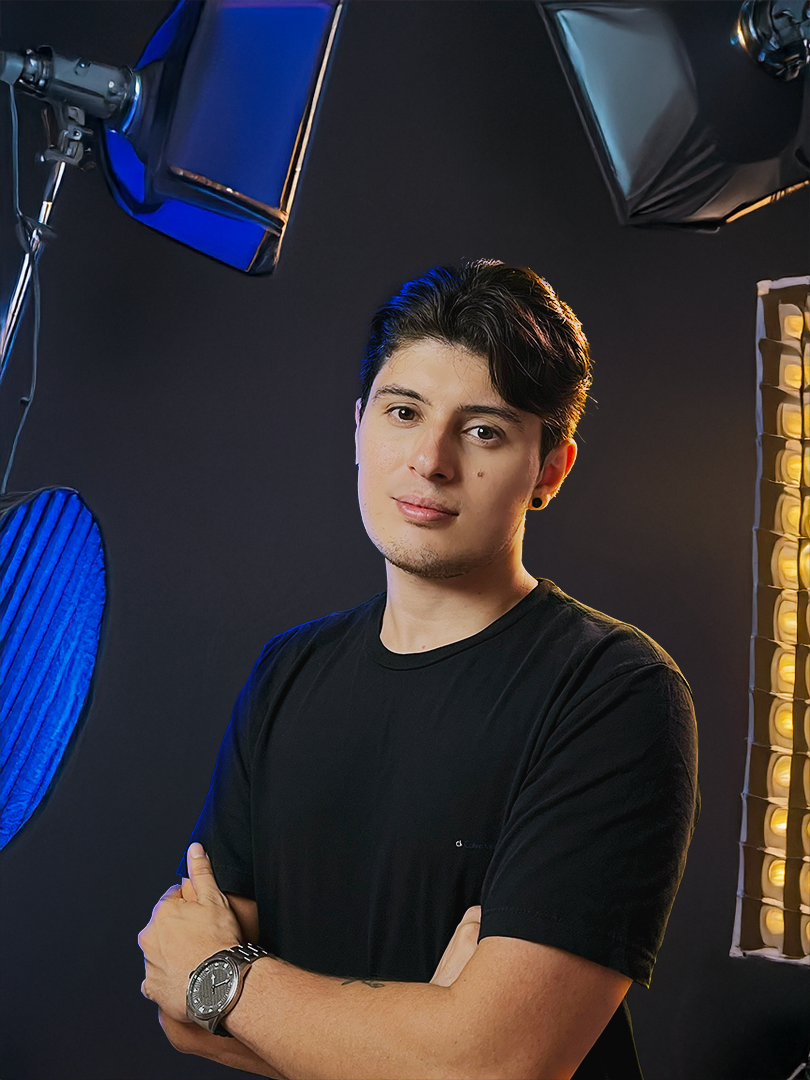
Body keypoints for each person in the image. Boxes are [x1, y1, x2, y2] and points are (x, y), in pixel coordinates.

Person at [138, 260, 699, 1080]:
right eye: (403, 412)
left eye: (484, 431)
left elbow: (492, 1065)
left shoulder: (614, 692)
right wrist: (424, 1039)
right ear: (358, 428)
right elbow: (179, 1010)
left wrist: (225, 981)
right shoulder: (288, 673)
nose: (431, 460)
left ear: (549, 469)